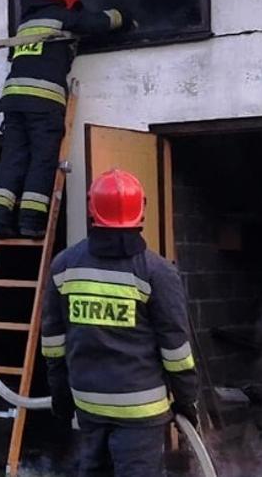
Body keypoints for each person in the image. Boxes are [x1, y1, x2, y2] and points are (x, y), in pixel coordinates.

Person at [40, 169, 199, 477]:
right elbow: (176, 351)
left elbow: (53, 341)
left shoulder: (64, 265)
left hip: (88, 403)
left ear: (92, 209)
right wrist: (186, 400)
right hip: (141, 411)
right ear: (142, 210)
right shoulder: (157, 272)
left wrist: (60, 391)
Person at [0, 0, 128, 238]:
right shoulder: (60, 17)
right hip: (42, 102)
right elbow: (96, 23)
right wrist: (123, 15)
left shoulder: (25, 24)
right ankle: (31, 221)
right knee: (42, 159)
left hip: (13, 101)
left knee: (13, 159)